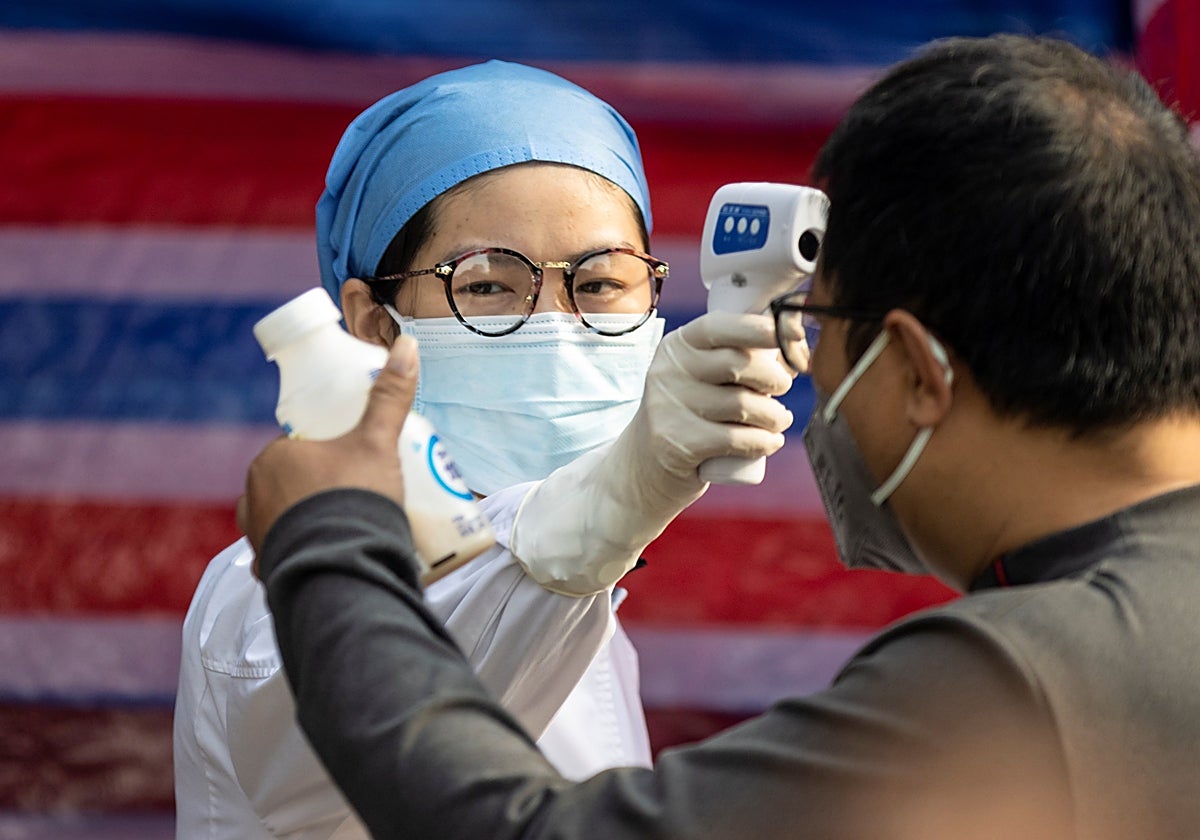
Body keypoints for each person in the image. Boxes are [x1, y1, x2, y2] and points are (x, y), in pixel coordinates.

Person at [243, 33, 1200, 839]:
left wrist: (323, 540)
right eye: (488, 284)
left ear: (914, 372)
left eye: (823, 332)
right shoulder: (243, 607)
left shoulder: (1015, 684)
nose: (558, 329)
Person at [172, 61, 794, 839]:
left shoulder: (582, 596)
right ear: (374, 321)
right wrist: (619, 498)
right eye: (488, 286)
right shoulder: (264, 591)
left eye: (601, 285)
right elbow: (340, 726)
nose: (559, 329)